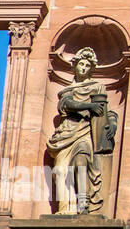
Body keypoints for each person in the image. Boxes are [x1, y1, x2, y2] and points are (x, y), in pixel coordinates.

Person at [47, 47, 117, 215]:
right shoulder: (66, 91)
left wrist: (112, 124)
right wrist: (89, 105)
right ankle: (65, 209)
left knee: (81, 161)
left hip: (86, 132)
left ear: (91, 69)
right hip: (66, 133)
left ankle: (83, 203)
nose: (84, 68)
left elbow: (108, 111)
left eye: (87, 65)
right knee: (59, 171)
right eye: (81, 64)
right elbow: (67, 104)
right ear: (75, 66)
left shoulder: (97, 87)